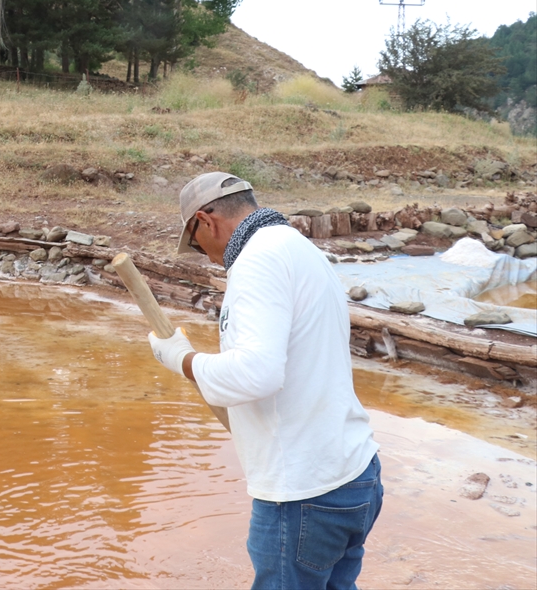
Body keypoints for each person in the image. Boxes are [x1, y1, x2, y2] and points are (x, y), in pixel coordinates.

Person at [147, 171, 382, 590]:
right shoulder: (297, 247)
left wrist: (183, 360)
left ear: (206, 220)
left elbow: (257, 373)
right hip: (354, 473)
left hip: (304, 491)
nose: (206, 256)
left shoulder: (257, 261)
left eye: (198, 244)